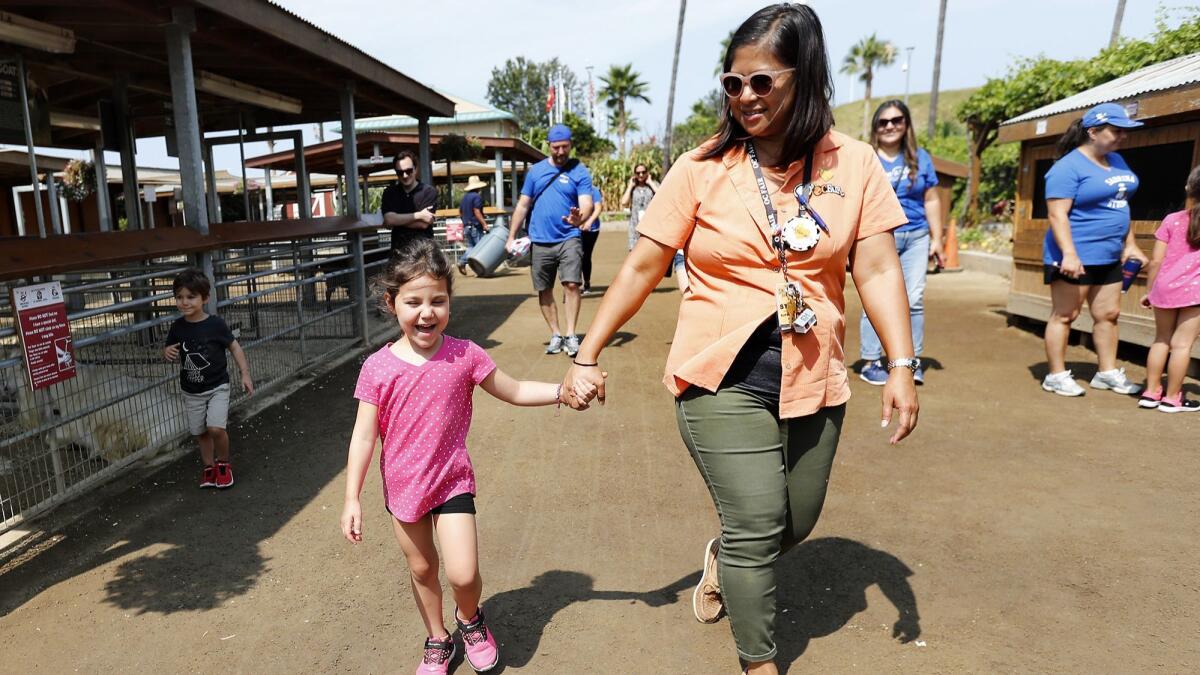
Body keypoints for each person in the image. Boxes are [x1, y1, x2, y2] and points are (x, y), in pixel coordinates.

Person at [560, 5, 919, 673]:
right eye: (733, 83)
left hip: (815, 371)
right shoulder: (702, 167)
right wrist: (587, 350)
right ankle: (759, 661)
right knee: (756, 524)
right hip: (718, 374)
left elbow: (875, 266)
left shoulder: (857, 163)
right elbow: (641, 263)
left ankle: (724, 558)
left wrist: (900, 362)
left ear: (804, 76)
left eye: (762, 81)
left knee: (796, 520)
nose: (745, 97)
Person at [340, 239, 570, 674]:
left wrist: (562, 391)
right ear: (392, 304)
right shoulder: (378, 367)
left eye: (438, 301)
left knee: (463, 574)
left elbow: (516, 390)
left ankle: (470, 618)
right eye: (414, 302)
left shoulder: (464, 354)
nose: (426, 312)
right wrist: (352, 498)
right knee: (423, 569)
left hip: (451, 481)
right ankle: (437, 638)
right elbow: (364, 436)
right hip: (404, 487)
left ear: (449, 303)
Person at [1041, 103, 1148, 396]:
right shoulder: (1066, 168)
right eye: (1116, 131)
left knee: (1109, 314)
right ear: (1093, 131)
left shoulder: (1118, 161)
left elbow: (1120, 205)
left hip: (1110, 254)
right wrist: (1069, 254)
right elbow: (1057, 215)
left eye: (1124, 132)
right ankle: (1056, 375)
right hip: (1075, 254)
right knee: (1066, 314)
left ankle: (1107, 372)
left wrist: (1131, 245)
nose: (1122, 137)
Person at [858, 100, 943, 386]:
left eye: (896, 120)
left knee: (914, 299)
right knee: (876, 295)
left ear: (906, 124)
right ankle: (871, 360)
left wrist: (938, 239)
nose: (890, 126)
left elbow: (931, 199)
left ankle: (911, 360)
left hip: (917, 234)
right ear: (875, 127)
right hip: (878, 235)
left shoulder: (921, 158)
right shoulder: (865, 157)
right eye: (883, 122)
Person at [504, 124, 594, 357]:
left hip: (569, 238)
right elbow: (523, 204)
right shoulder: (535, 172)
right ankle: (556, 334)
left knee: (572, 284)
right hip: (540, 240)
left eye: (565, 147)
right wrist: (511, 236)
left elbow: (587, 202)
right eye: (556, 147)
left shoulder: (580, 171)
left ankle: (572, 334)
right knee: (543, 289)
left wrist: (579, 217)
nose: (561, 152)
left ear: (570, 145)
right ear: (549, 145)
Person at [163, 268, 254, 489]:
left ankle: (223, 464)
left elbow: (234, 347)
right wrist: (166, 352)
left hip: (217, 387)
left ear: (205, 298)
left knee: (215, 428)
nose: (184, 302)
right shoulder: (177, 327)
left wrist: (245, 373)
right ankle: (208, 468)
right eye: (179, 297)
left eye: (191, 297)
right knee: (200, 432)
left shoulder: (215, 325)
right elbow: (169, 349)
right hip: (191, 390)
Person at [1139, 165, 1200, 412]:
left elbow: (1155, 261)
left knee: (1161, 340)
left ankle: (1151, 392)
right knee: (1182, 345)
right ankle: (1173, 398)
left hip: (1164, 289)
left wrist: (1149, 290)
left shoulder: (1171, 220)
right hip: (1196, 292)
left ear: (1189, 188)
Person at [383, 150, 439, 255]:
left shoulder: (428, 191)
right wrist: (419, 215)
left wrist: (397, 220)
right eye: (400, 172)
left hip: (424, 253)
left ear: (415, 169)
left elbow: (423, 224)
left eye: (408, 171)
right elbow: (389, 220)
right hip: (398, 253)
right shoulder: (389, 192)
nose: (404, 175)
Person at [620, 163, 659, 251]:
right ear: (635, 174)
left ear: (647, 173)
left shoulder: (654, 185)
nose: (641, 175)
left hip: (650, 228)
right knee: (634, 254)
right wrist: (630, 186)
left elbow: (662, 196)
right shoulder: (633, 187)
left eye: (643, 172)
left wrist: (650, 182)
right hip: (635, 228)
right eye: (638, 173)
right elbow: (624, 202)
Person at [457, 175, 490, 274]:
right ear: (478, 187)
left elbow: (460, 212)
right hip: (475, 226)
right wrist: (484, 223)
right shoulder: (476, 196)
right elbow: (476, 211)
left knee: (472, 247)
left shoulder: (464, 198)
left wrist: (465, 222)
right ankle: (463, 262)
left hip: (467, 226)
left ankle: (465, 263)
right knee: (480, 247)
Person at [580, 186, 603, 295]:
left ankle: (587, 282)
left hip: (591, 229)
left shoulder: (593, 190)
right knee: (573, 256)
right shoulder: (571, 188)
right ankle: (573, 284)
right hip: (574, 229)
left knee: (585, 255)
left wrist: (589, 222)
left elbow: (598, 207)